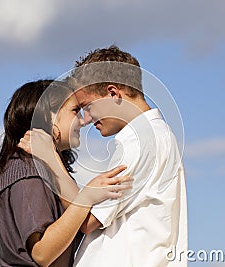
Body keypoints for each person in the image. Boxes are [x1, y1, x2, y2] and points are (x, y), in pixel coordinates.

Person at [22, 46, 188, 266]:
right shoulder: (153, 137)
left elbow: (88, 220)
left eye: (88, 106)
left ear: (112, 93)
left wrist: (49, 159)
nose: (87, 118)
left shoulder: (142, 141)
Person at [0, 79, 132, 267]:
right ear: (48, 116)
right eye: (74, 111)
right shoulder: (27, 170)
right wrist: (86, 198)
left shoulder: (40, 169)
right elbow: (42, 253)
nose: (82, 120)